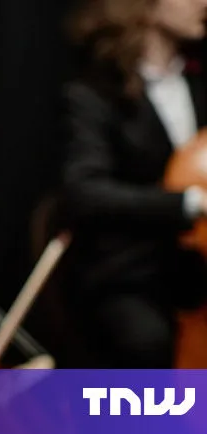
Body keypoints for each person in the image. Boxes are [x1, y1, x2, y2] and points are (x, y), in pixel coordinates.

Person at [60, 0, 207, 368]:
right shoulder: (93, 95)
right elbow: (84, 192)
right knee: (146, 342)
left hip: (195, 268)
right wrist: (188, 203)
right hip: (130, 274)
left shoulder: (198, 84)